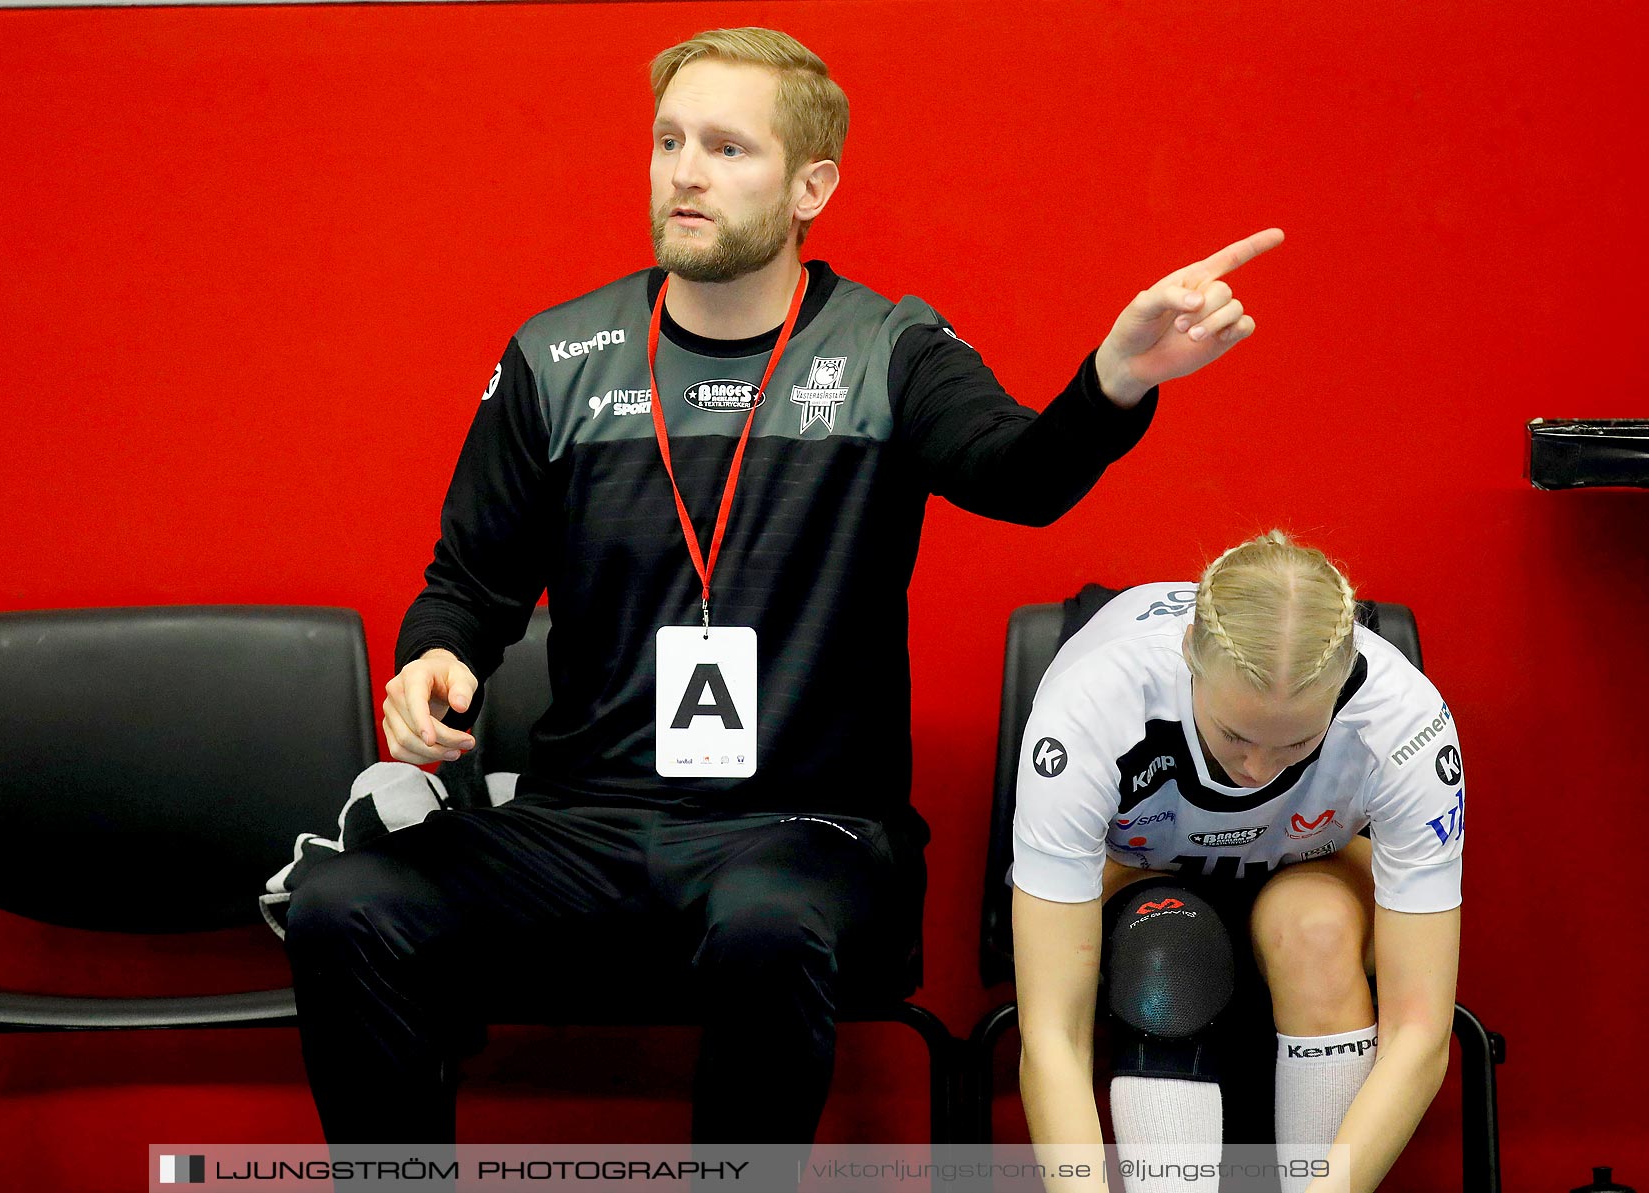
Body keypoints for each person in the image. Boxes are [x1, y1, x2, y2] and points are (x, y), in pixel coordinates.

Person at [285, 26, 1282, 1145]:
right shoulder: (556, 358)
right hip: (590, 821)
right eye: (668, 141)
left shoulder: (886, 348)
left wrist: (1116, 379)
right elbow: (471, 583)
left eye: (725, 147)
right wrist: (437, 659)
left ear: (814, 185)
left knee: (765, 921)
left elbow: (1024, 475)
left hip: (807, 828)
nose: (685, 173)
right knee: (343, 905)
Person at [1011, 532, 1463, 1193]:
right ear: (1190, 657)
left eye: (1298, 742)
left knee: (1318, 934)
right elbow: (1052, 1034)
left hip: (1312, 866)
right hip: (1137, 868)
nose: (1256, 769)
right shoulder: (1095, 705)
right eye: (1234, 734)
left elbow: (1421, 1031)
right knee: (1168, 947)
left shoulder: (1403, 722)